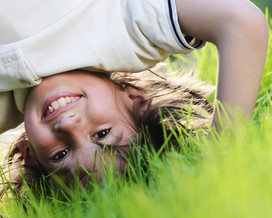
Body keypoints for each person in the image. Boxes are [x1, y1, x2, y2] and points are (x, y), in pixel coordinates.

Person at [0, 0, 269, 196]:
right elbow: (240, 22)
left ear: (29, 154)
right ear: (134, 98)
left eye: (61, 154)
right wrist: (219, 158)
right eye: (102, 134)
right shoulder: (126, 34)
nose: (68, 126)